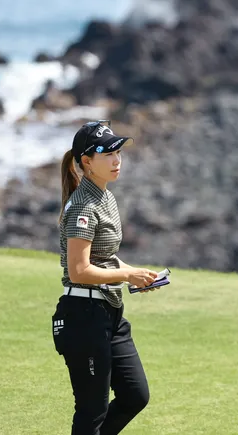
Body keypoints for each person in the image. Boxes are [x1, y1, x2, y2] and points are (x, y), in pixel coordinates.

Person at [51, 120, 160, 434]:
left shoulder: (105, 197)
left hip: (109, 313)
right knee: (92, 411)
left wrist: (134, 276)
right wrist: (126, 274)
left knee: (135, 395)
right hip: (83, 317)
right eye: (107, 154)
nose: (116, 160)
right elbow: (79, 270)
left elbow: (104, 258)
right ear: (87, 161)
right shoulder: (83, 206)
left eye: (118, 152)